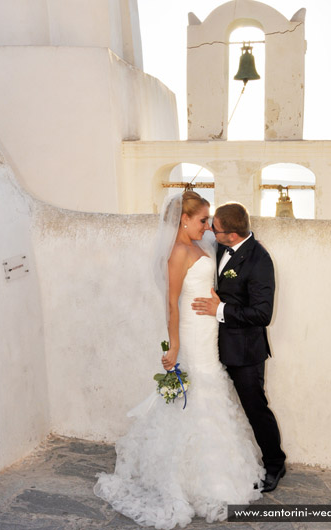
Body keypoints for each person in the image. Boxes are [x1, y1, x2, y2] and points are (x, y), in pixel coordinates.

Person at [94, 191, 263, 529]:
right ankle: (191, 479)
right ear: (184, 220)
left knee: (211, 386)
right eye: (203, 220)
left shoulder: (205, 247)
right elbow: (171, 304)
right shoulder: (177, 253)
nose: (208, 226)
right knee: (196, 392)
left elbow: (211, 284)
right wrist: (173, 346)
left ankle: (216, 471)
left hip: (209, 329)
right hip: (190, 333)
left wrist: (217, 299)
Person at [191, 202, 286, 493]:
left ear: (231, 235)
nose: (209, 230)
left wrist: (221, 310)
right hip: (210, 345)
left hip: (245, 352)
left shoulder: (260, 260)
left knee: (255, 408)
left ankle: (275, 464)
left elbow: (262, 314)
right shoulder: (218, 245)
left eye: (214, 228)